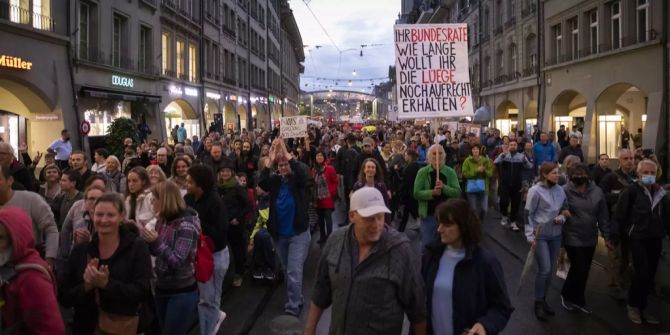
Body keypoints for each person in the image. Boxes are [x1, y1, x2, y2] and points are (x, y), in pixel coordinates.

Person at [305, 187, 427, 335]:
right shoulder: (336, 241)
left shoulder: (400, 250)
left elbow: (417, 309)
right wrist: (309, 330)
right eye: (369, 218)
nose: (376, 225)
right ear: (352, 216)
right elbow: (320, 291)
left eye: (380, 217)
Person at [59, 193, 152, 335]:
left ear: (121, 217)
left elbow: (142, 292)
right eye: (99, 214)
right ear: (92, 215)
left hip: (124, 327)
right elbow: (64, 297)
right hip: (86, 327)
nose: (104, 220)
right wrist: (86, 286)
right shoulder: (81, 251)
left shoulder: (136, 248)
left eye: (110, 215)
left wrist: (107, 284)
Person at [423, 199, 513, 335]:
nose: (439, 229)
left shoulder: (485, 263)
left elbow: (502, 307)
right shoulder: (431, 255)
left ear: (463, 226)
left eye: (447, 225)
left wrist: (484, 325)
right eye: (439, 223)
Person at [612, 159, 670, 325]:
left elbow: (666, 216)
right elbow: (620, 214)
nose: (649, 176)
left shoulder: (660, 192)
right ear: (638, 174)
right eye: (646, 172)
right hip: (636, 238)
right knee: (641, 272)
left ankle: (642, 307)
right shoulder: (631, 191)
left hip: (655, 238)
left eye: (652, 173)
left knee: (650, 276)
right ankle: (632, 305)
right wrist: (614, 235)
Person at [138, 181, 200, 335]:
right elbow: (156, 252)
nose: (151, 202)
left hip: (181, 291)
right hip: (162, 287)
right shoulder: (162, 220)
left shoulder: (186, 225)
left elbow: (178, 261)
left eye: (154, 199)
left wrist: (156, 242)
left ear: (164, 199)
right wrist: (145, 239)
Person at [258, 138, 311, 317]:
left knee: (294, 271)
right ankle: (298, 298)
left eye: (285, 165)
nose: (282, 168)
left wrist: (289, 157)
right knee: (289, 271)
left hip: (298, 234)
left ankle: (293, 307)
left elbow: (304, 174)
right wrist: (270, 160)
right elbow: (262, 182)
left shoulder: (298, 180)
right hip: (280, 235)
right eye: (279, 166)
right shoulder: (275, 181)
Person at [0, 207, 65, 333]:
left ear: (17, 239)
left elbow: (52, 330)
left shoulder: (32, 279)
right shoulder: (8, 261)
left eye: (0, 237)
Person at [560, 163, 612, 314]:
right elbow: (555, 209)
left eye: (582, 173)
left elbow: (603, 216)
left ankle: (578, 298)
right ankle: (567, 294)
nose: (579, 177)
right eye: (575, 174)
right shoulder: (563, 191)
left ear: (588, 175)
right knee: (579, 267)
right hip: (572, 235)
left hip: (590, 237)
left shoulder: (597, 192)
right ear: (570, 176)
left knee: (585, 269)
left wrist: (607, 236)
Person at [185, 165, 230, 335]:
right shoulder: (189, 199)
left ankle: (208, 329)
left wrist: (196, 222)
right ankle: (214, 317)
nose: (186, 184)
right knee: (206, 299)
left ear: (200, 184)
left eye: (190, 182)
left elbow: (220, 233)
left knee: (209, 300)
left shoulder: (215, 202)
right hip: (199, 255)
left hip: (215, 256)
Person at [524, 162, 568, 321]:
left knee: (550, 271)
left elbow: (565, 208)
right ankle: (538, 302)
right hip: (540, 235)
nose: (557, 175)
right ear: (544, 174)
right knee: (545, 269)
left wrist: (562, 218)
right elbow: (528, 213)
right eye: (554, 173)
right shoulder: (535, 191)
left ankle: (543, 299)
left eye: (558, 172)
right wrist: (529, 235)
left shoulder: (560, 190)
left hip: (556, 235)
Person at [0, 164, 59, 265]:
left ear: (9, 180)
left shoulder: (32, 200)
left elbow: (51, 230)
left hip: (30, 264)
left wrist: (49, 261)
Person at [599, 149, 637, 300]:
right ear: (619, 161)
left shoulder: (638, 177)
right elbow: (601, 197)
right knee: (615, 257)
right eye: (626, 158)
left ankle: (625, 283)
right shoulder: (611, 178)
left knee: (628, 257)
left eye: (631, 158)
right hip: (614, 224)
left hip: (633, 226)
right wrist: (619, 198)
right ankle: (615, 287)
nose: (629, 161)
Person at [414, 144, 461, 247]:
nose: (437, 156)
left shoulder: (450, 172)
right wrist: (432, 193)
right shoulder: (422, 172)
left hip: (447, 217)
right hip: (428, 216)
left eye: (440, 153)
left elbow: (457, 192)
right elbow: (416, 193)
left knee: (446, 247)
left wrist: (444, 188)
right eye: (434, 153)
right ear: (429, 156)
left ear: (444, 155)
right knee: (428, 246)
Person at [217, 162, 252, 288]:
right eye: (223, 171)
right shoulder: (218, 188)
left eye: (227, 171)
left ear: (232, 173)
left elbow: (248, 204)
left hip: (235, 224)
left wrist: (238, 218)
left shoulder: (237, 188)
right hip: (222, 224)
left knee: (238, 250)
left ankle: (239, 274)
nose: (225, 173)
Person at [494, 139, 533, 232]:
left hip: (517, 183)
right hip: (505, 183)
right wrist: (503, 155)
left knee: (516, 204)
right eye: (511, 145)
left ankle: (513, 221)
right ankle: (504, 216)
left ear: (517, 146)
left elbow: (530, 167)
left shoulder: (521, 156)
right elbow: (495, 162)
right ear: (508, 146)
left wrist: (525, 161)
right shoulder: (504, 155)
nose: (513, 146)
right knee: (504, 201)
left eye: (514, 145)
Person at [462, 145, 493, 221]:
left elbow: (490, 174)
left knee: (484, 209)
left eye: (477, 149)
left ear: (479, 151)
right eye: (473, 149)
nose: (475, 150)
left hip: (484, 187)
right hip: (471, 187)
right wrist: (476, 171)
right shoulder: (467, 161)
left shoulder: (485, 160)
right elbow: (465, 174)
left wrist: (484, 170)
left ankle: (480, 221)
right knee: (473, 209)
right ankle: (475, 224)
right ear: (471, 151)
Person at [312, 151, 338, 244]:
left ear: (324, 157)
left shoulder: (329, 168)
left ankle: (330, 237)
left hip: (327, 197)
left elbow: (335, 181)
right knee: (320, 220)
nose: (319, 157)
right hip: (318, 199)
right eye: (317, 155)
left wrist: (332, 192)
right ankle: (322, 236)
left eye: (320, 155)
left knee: (328, 219)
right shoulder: (314, 170)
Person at [125, 167, 156, 231]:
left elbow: (158, 219)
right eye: (129, 181)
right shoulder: (128, 199)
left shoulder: (151, 197)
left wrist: (141, 228)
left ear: (143, 181)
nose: (131, 184)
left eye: (134, 181)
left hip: (147, 236)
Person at [399, 150, 422, 232]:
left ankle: (401, 229)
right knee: (408, 210)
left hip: (410, 192)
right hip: (410, 192)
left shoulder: (411, 167)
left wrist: (400, 189)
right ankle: (401, 228)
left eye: (406, 155)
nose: (405, 157)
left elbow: (407, 180)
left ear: (409, 156)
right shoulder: (414, 165)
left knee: (408, 209)